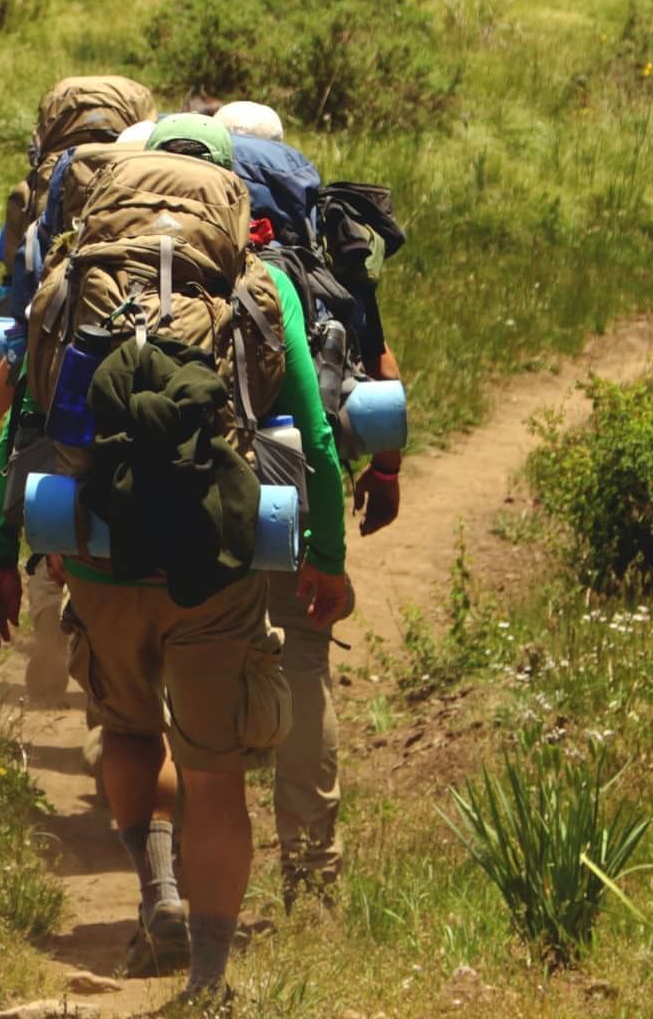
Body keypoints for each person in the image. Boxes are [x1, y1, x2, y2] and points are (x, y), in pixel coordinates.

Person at [0, 114, 353, 1007]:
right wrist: (326, 555)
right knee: (216, 773)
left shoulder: (71, 281)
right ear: (230, 193)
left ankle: (158, 896)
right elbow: (320, 436)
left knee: (129, 729)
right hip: (213, 559)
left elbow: (25, 426)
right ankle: (211, 980)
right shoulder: (259, 286)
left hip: (101, 555)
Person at [213, 99, 407, 907]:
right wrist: (386, 472)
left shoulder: (179, 252)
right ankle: (312, 877)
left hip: (199, 491)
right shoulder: (318, 251)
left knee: (193, 674)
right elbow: (379, 375)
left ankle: (197, 878)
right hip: (292, 482)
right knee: (302, 668)